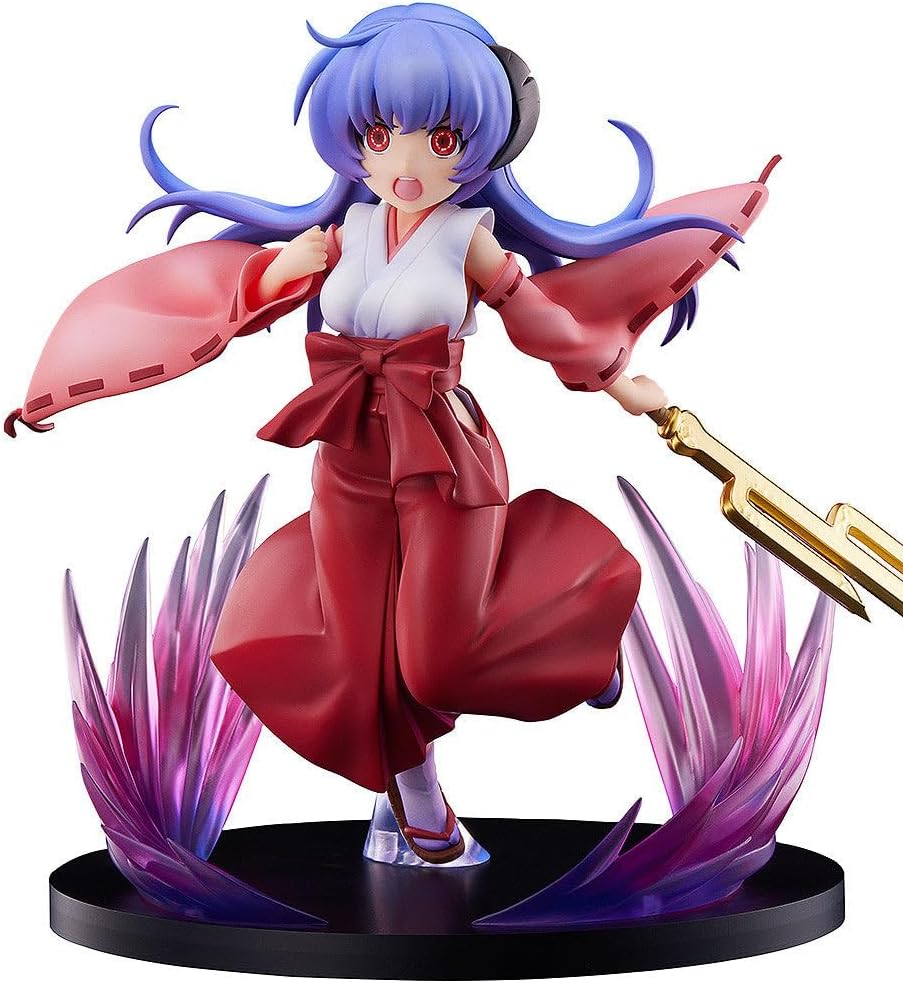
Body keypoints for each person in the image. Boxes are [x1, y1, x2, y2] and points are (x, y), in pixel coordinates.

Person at [6, 4, 772, 863]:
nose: (406, 165)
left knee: (437, 659)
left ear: (485, 140)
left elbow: (540, 321)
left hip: (442, 454)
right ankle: (418, 797)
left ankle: (584, 622)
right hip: (349, 458)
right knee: (357, 652)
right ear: (352, 140)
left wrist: (619, 382)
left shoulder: (468, 237)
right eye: (379, 134)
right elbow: (235, 302)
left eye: (440, 140)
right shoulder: (343, 235)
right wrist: (272, 271)